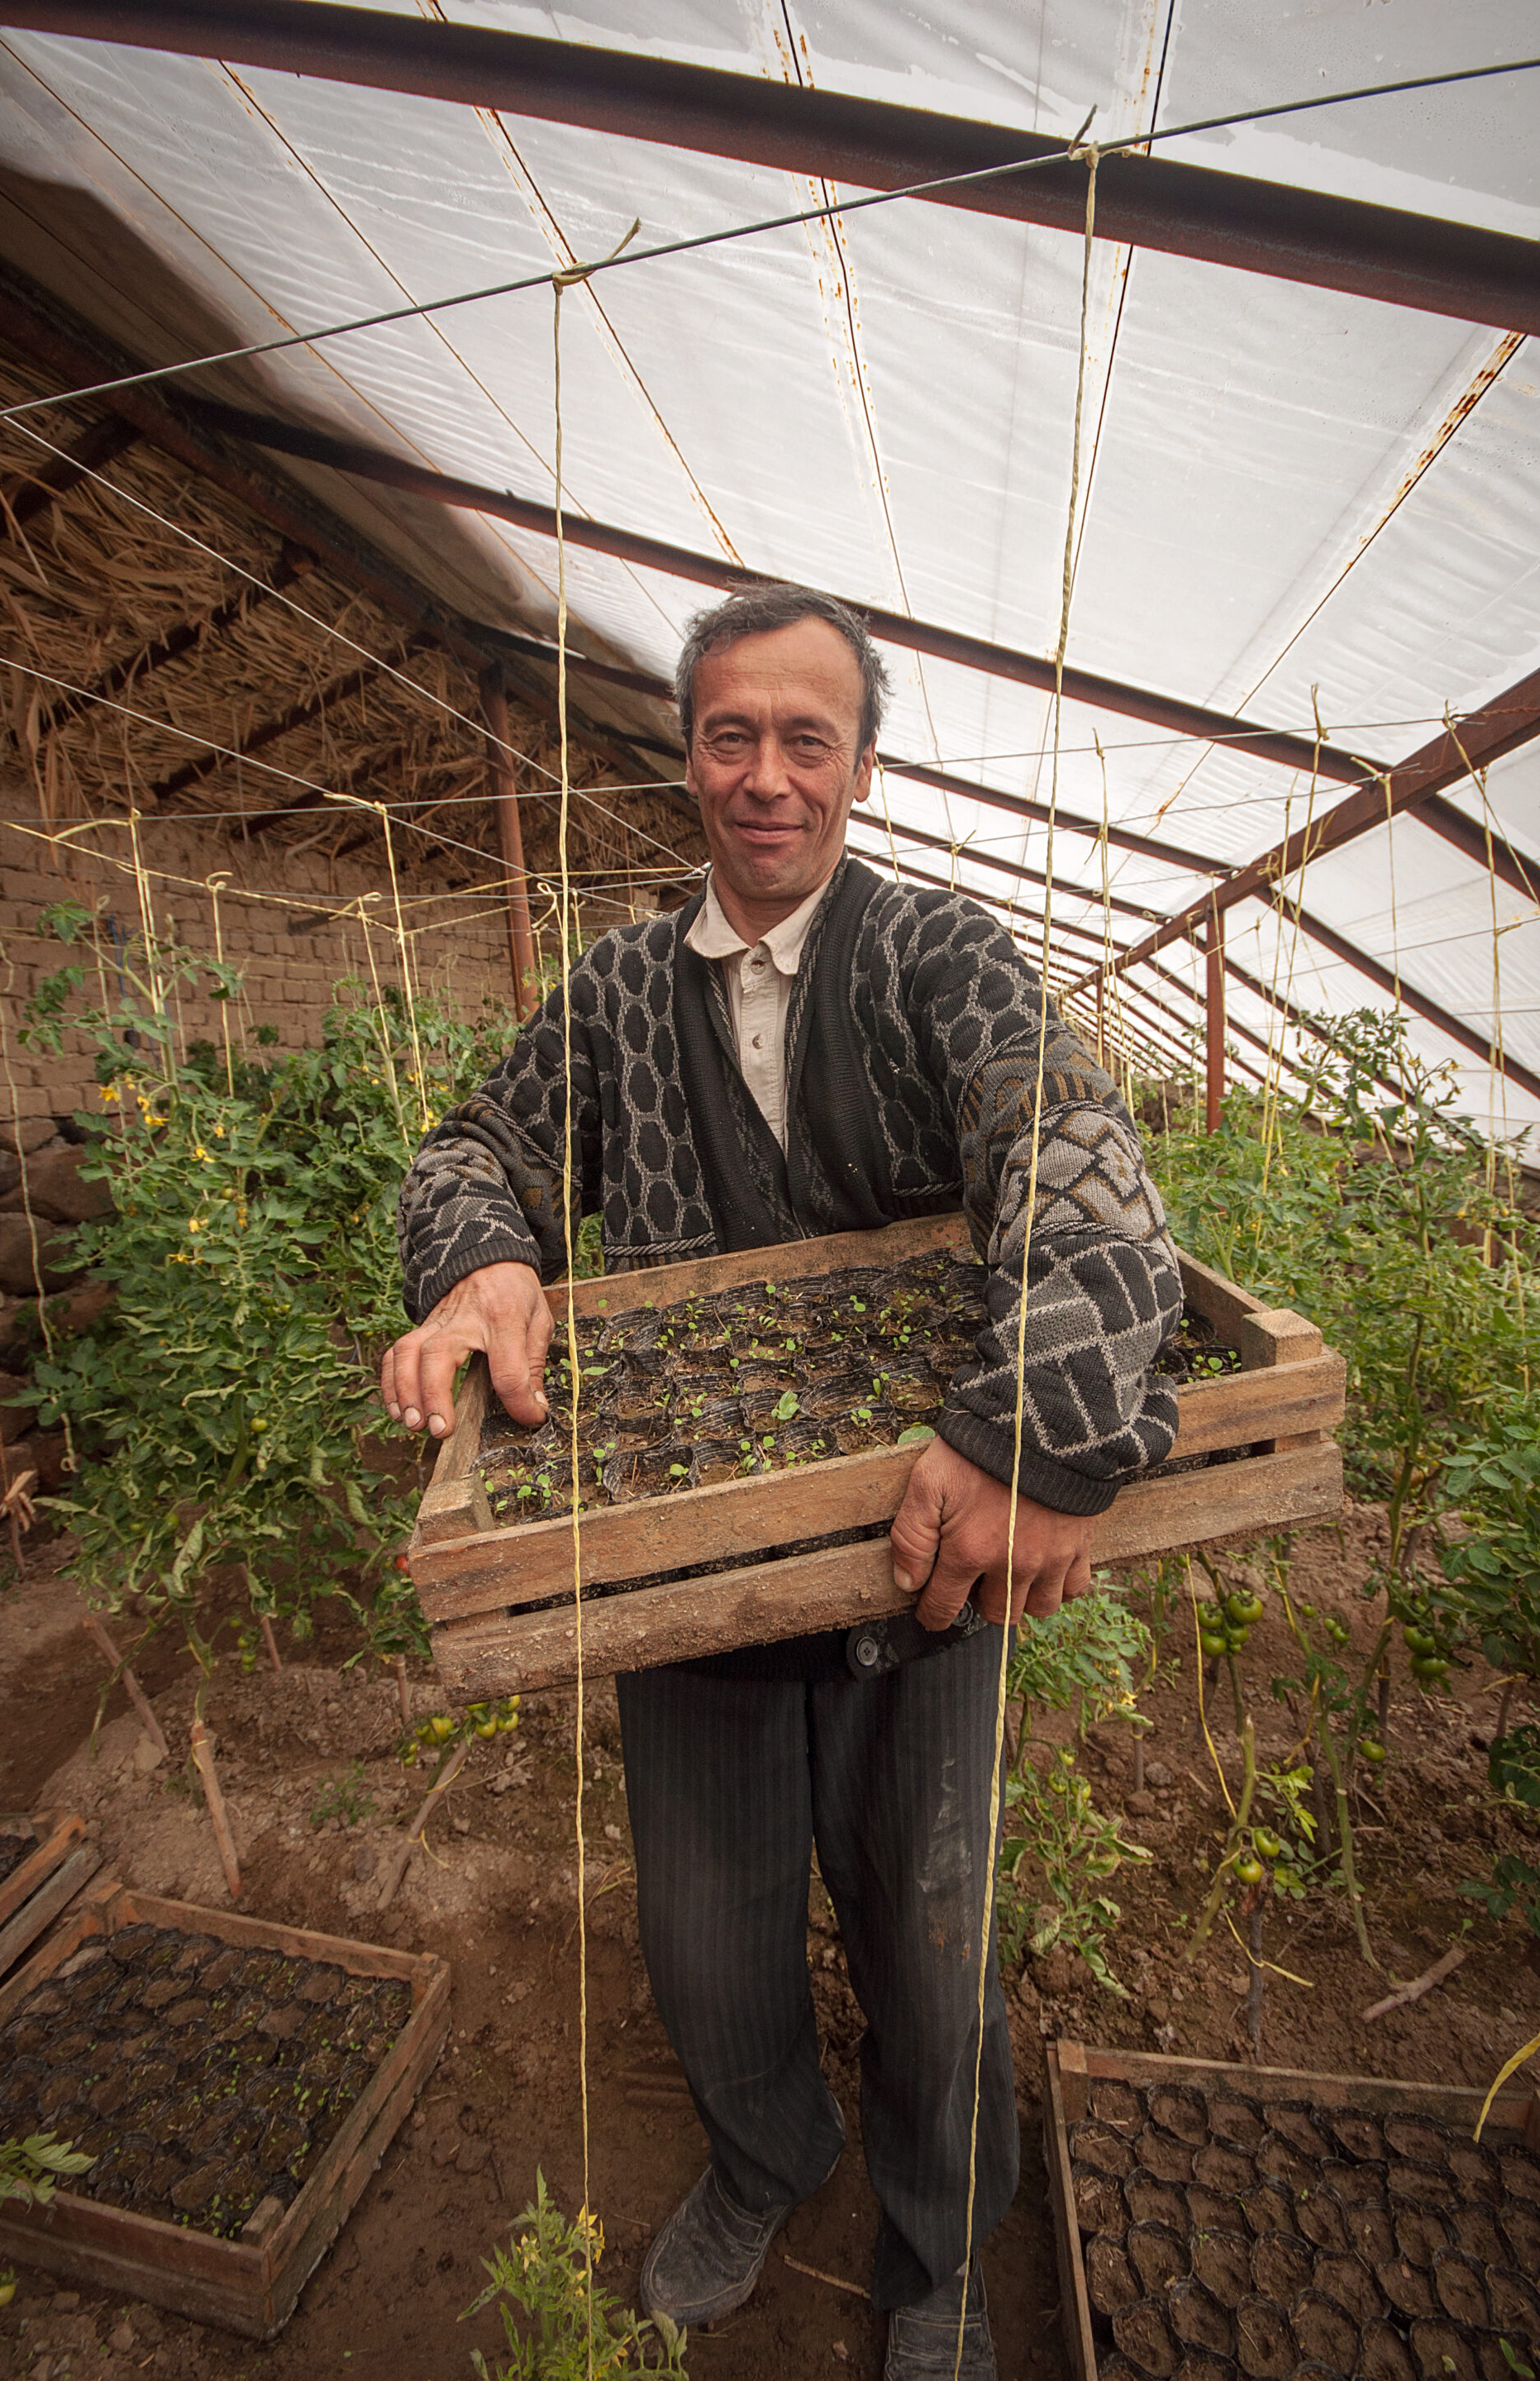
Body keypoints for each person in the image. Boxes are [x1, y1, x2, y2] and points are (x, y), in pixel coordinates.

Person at [382, 586, 1181, 2379]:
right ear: (690, 759)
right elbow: (477, 1142)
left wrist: (1030, 1430)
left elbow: (1080, 1166)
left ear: (862, 768)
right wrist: (485, 1256)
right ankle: (766, 2153)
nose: (765, 775)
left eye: (805, 738)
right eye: (731, 734)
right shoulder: (612, 990)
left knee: (929, 1931)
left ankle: (937, 2251)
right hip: (692, 1571)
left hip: (930, 1555)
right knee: (707, 1936)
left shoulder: (945, 964)